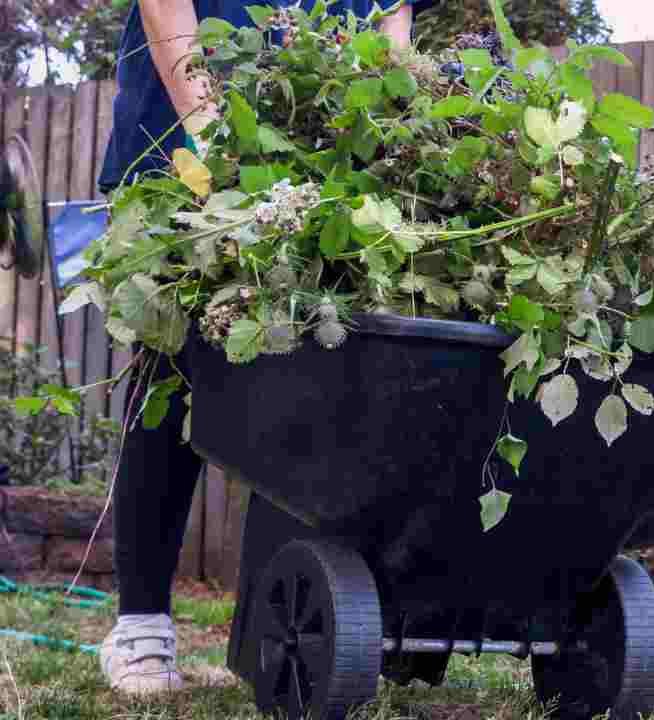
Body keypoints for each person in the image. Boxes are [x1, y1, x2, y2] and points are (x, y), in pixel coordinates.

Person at [95, 0, 437, 695]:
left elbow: (390, 21)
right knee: (177, 367)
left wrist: (397, 133)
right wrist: (210, 127)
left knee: (349, 380)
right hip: (183, 144)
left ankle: (325, 623)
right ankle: (141, 628)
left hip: (322, 158)